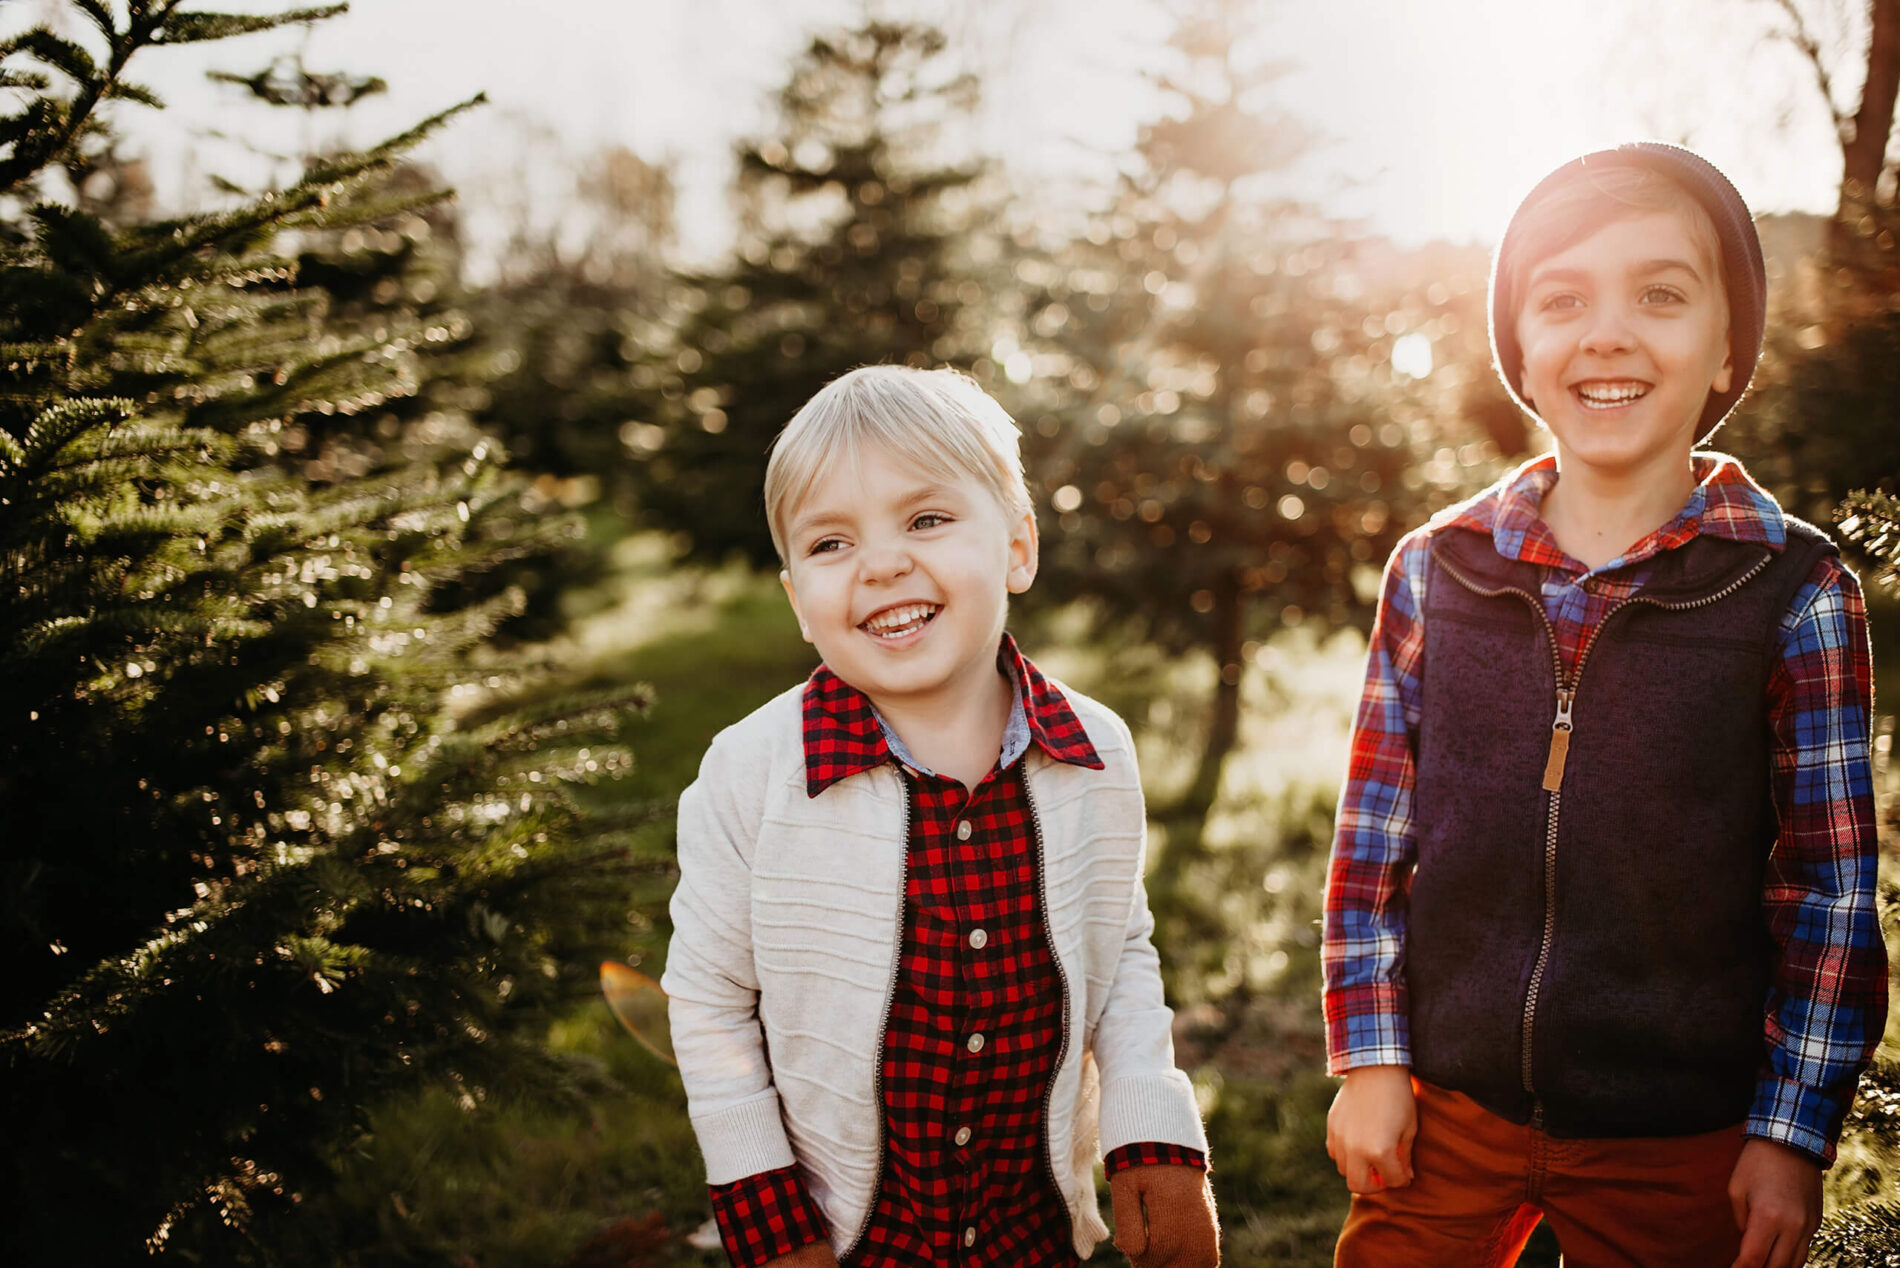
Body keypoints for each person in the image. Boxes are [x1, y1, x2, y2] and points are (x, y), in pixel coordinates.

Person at [1320, 142, 1887, 1268]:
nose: (1608, 332)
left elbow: (1828, 891)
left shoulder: (1795, 593)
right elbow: (1373, 842)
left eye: (1661, 295)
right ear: (1520, 351)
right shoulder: (1438, 570)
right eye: (1562, 299)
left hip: (1678, 1130)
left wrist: (1789, 1131)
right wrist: (1371, 1056)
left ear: (1727, 345)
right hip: (1447, 1104)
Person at [661, 364, 1221, 1268]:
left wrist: (1151, 1140)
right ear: (798, 597)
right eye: (831, 543)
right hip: (852, 1238)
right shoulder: (753, 773)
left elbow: (1119, 954)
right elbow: (710, 1002)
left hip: (1032, 1231)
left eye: (926, 520)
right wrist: (768, 1218)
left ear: (1017, 549)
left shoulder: (1094, 753)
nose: (882, 564)